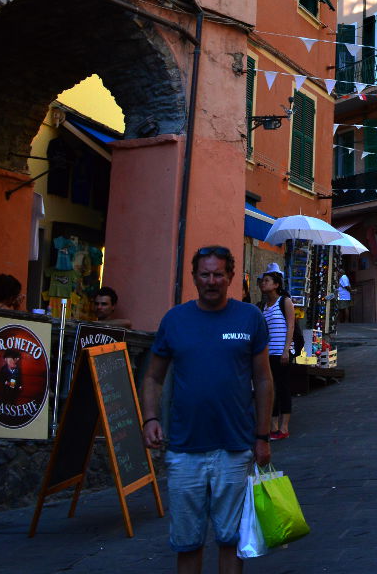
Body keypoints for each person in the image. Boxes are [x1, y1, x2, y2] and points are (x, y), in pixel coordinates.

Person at [141, 246, 273, 574]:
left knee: (231, 540)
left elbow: (264, 379)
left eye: (218, 274)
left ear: (231, 277)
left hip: (235, 446)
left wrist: (263, 436)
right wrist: (150, 418)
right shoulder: (175, 320)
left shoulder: (250, 318)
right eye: (205, 274)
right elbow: (153, 377)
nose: (211, 281)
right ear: (194, 277)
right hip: (185, 448)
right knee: (187, 541)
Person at [257, 266, 295, 441]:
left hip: (282, 351)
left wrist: (286, 349)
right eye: (262, 281)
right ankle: (272, 427)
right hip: (268, 352)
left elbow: (291, 326)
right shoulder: (263, 306)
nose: (263, 283)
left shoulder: (284, 301)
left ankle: (284, 427)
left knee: (283, 388)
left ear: (276, 284)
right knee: (270, 389)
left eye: (267, 281)